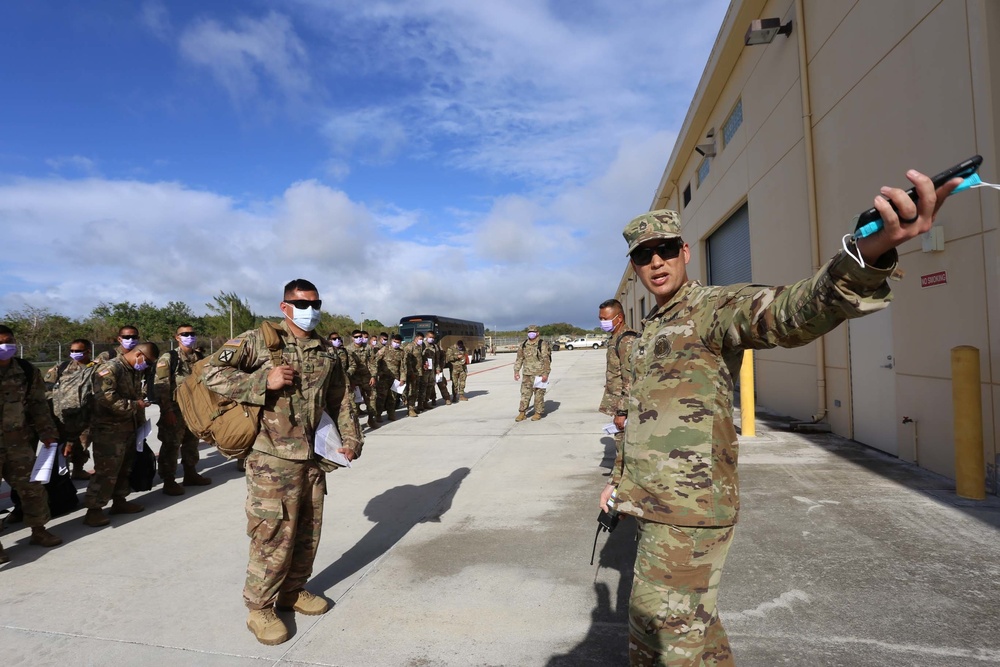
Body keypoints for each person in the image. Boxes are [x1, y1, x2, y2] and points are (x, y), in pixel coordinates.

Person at [601, 169, 961, 666]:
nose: (655, 261)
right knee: (697, 635)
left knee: (658, 642)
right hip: (654, 505)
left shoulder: (713, 309)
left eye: (664, 248)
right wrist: (620, 484)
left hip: (691, 511)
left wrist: (866, 254)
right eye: (643, 255)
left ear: (685, 251)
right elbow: (646, 420)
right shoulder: (650, 330)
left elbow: (790, 311)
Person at [203, 279, 363, 646]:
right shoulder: (257, 341)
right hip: (270, 459)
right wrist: (264, 381)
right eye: (302, 303)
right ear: (284, 306)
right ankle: (259, 608)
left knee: (308, 531)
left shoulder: (326, 350)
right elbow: (211, 373)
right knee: (271, 534)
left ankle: (293, 590)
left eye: (315, 302)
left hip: (313, 459)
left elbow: (340, 399)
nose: (310, 309)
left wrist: (351, 439)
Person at [0, 325, 65, 560]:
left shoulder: (25, 370)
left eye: (9, 341)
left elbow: (38, 404)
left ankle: (39, 531)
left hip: (18, 441)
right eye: (1, 342)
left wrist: (47, 433)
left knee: (33, 489)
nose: (5, 346)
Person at [82, 341, 159, 527]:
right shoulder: (110, 368)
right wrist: (135, 405)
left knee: (125, 466)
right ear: (139, 354)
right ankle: (94, 510)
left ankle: (119, 501)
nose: (147, 366)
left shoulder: (133, 370)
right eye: (147, 362)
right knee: (106, 470)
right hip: (108, 430)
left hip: (128, 426)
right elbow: (105, 397)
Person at [153, 324, 211, 495]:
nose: (189, 336)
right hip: (175, 409)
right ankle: (169, 480)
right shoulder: (169, 358)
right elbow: (161, 386)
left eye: (192, 333)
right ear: (177, 337)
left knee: (192, 442)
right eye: (185, 334)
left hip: (195, 409)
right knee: (171, 445)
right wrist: (166, 410)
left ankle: (190, 473)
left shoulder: (199, 357)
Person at [44, 338, 95, 480]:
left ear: (88, 351)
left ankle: (78, 469)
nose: (74, 353)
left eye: (78, 351)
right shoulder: (62, 367)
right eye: (72, 351)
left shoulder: (96, 369)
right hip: (62, 416)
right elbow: (47, 387)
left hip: (84, 415)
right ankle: (62, 476)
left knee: (82, 445)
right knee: (63, 447)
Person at [597, 299, 637, 480]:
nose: (602, 322)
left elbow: (630, 379)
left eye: (605, 318)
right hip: (619, 403)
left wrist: (622, 410)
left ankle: (621, 482)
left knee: (625, 446)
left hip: (626, 406)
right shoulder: (615, 338)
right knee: (621, 443)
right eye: (600, 318)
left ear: (619, 318)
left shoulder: (626, 340)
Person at [513, 325, 551, 421]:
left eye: (533, 331)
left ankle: (538, 413)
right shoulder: (524, 344)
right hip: (527, 374)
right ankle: (522, 413)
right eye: (529, 331)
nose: (531, 333)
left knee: (539, 395)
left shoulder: (542, 344)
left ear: (537, 333)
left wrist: (546, 373)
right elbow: (519, 358)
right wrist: (516, 371)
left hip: (540, 374)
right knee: (525, 394)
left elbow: (546, 360)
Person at [348, 329, 378, 430]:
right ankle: (356, 424)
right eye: (356, 337)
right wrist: (350, 380)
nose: (359, 338)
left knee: (372, 399)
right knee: (354, 403)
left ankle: (371, 419)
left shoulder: (368, 348)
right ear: (352, 338)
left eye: (360, 336)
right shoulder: (348, 349)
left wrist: (373, 376)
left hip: (367, 378)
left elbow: (372, 363)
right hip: (355, 380)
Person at [375, 333, 407, 421]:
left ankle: (391, 413)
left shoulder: (401, 352)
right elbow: (375, 361)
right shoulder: (384, 349)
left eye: (398, 342)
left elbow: (403, 367)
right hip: (383, 378)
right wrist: (377, 373)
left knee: (392, 398)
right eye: (394, 342)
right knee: (381, 397)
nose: (396, 344)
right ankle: (378, 415)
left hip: (395, 379)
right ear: (391, 341)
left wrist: (402, 379)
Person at [425, 332, 450, 406]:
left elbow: (442, 357)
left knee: (442, 384)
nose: (432, 339)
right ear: (426, 337)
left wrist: (440, 367)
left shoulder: (437, 347)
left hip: (437, 369)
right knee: (430, 386)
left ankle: (447, 398)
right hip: (427, 370)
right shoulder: (423, 346)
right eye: (430, 337)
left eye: (433, 338)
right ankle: (432, 399)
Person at [404, 333, 425, 417]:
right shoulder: (409, 347)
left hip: (418, 373)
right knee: (411, 391)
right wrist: (411, 372)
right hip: (411, 373)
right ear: (416, 338)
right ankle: (410, 409)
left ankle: (412, 407)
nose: (421, 340)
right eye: (420, 339)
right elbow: (407, 362)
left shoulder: (419, 347)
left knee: (415, 391)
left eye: (422, 339)